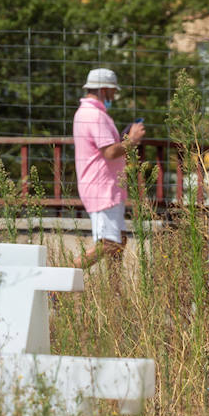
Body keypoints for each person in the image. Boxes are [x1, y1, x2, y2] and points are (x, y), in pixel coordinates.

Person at [72, 67, 145, 270]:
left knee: (119, 241)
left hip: (105, 187)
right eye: (113, 90)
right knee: (110, 244)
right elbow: (110, 152)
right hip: (102, 188)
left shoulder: (88, 113)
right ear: (104, 89)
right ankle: (58, 281)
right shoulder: (94, 115)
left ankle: (115, 294)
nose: (114, 95)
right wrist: (133, 140)